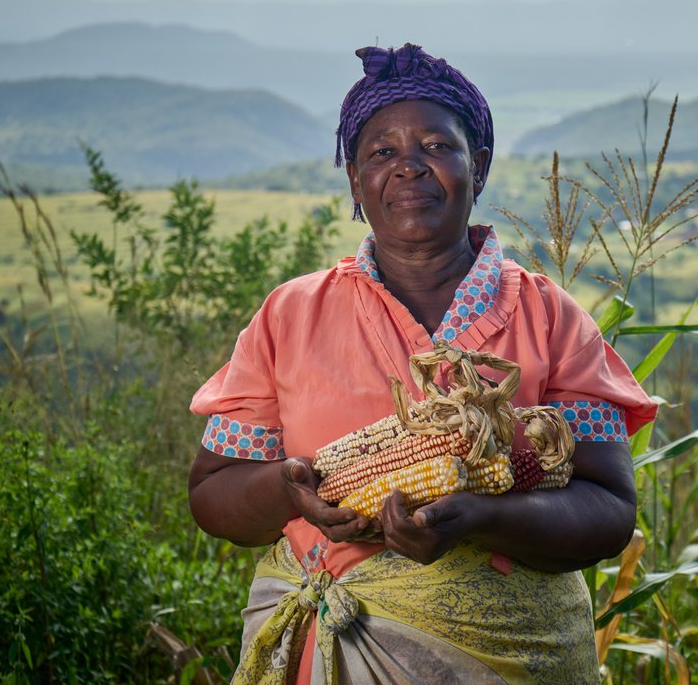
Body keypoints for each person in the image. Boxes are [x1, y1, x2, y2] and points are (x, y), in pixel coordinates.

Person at [187, 43, 658, 685]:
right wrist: (285, 490)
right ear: (355, 179)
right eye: (382, 152)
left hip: (510, 652)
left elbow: (608, 508)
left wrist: (486, 517)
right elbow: (212, 492)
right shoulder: (290, 315)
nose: (408, 167)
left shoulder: (551, 317)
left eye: (437, 147)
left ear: (479, 167)